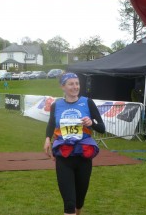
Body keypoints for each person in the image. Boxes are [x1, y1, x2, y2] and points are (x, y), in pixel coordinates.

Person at [44, 72, 105, 215]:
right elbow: (51, 124)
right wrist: (47, 138)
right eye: (71, 84)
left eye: (77, 83)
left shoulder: (87, 102)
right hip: (64, 157)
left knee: (79, 202)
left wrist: (92, 123)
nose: (75, 86)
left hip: (83, 156)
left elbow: (102, 128)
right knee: (69, 204)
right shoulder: (56, 105)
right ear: (63, 87)